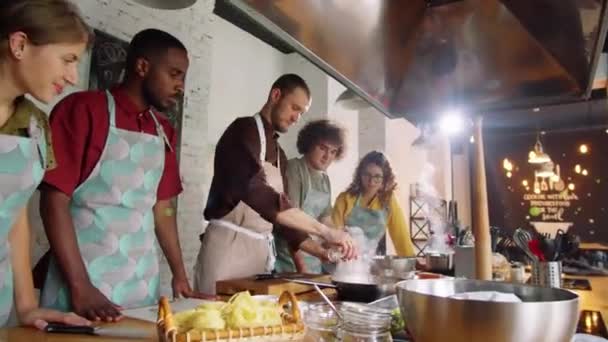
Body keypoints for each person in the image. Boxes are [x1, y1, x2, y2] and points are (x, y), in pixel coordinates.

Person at [38, 28, 208, 322]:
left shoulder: (163, 130)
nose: (181, 85)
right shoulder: (82, 111)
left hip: (141, 285)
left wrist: (180, 275)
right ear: (142, 67)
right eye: (174, 74)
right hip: (82, 285)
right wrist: (80, 286)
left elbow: (163, 209)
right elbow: (53, 201)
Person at [193, 74, 355, 294]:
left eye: (301, 112)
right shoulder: (242, 131)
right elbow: (257, 192)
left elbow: (285, 224)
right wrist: (326, 232)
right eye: (294, 108)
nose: (296, 117)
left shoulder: (280, 155)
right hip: (226, 251)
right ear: (276, 95)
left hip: (259, 258)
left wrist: (322, 252)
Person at [0, 0, 92, 329]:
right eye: (68, 60)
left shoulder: (36, 125)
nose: (72, 77)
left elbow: (14, 214)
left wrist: (26, 305)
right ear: (20, 44)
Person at [274, 119, 347, 273]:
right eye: (322, 148)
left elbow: (325, 217)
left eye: (333, 152)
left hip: (314, 259)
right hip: (290, 261)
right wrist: (301, 268)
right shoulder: (295, 169)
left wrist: (341, 240)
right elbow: (289, 224)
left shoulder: (324, 178)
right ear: (308, 144)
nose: (327, 156)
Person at [333, 151, 415, 256]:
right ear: (360, 174)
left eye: (377, 177)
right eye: (367, 175)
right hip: (342, 259)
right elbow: (334, 234)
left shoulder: (389, 201)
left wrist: (411, 263)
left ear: (385, 179)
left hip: (369, 263)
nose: (371, 181)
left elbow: (401, 237)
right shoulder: (344, 199)